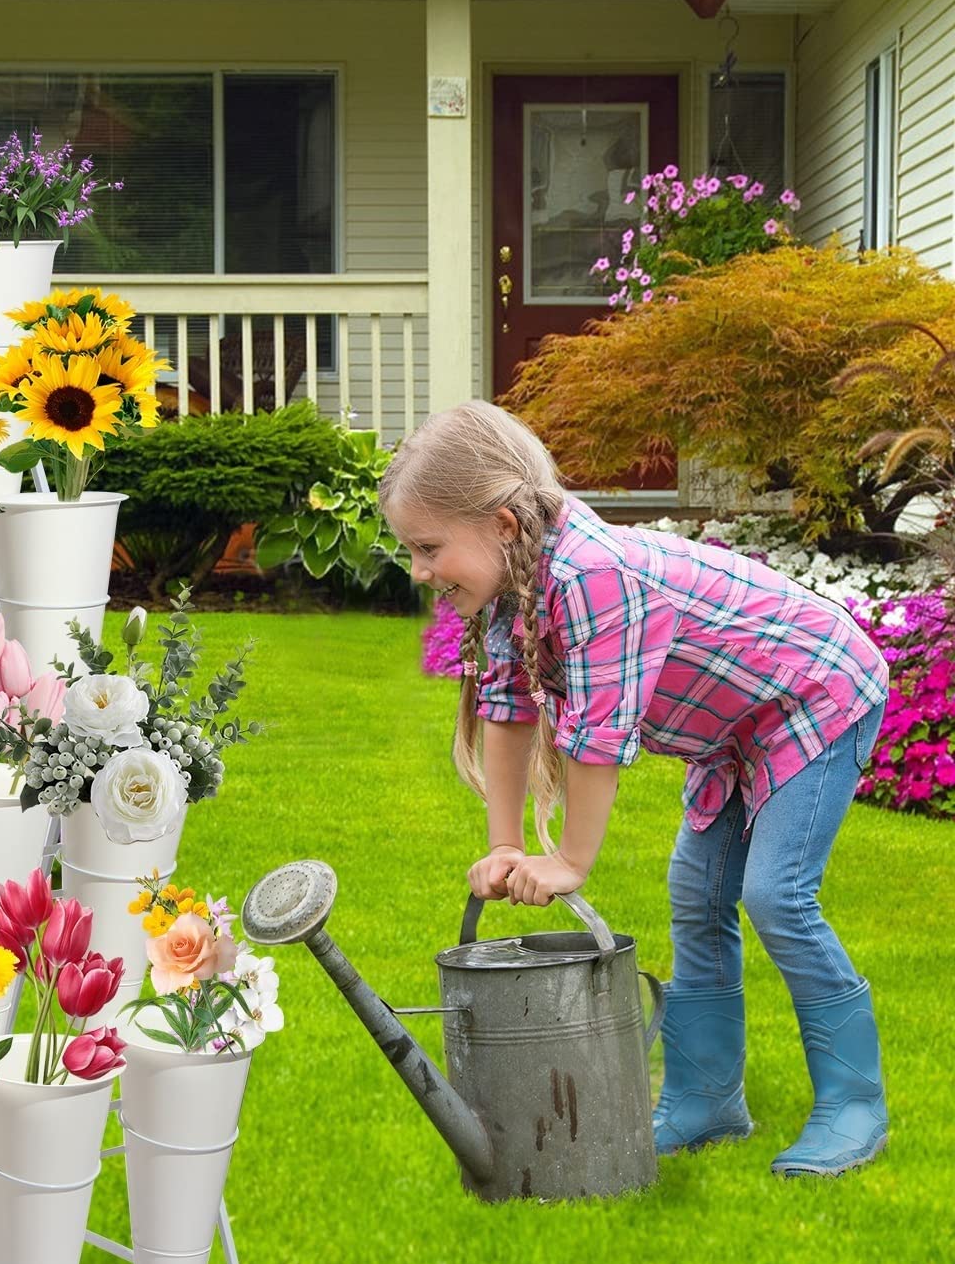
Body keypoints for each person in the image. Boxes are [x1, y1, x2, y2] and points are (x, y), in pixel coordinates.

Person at [379, 400, 890, 1178]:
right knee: (697, 891)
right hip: (736, 731)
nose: (418, 571)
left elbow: (599, 736)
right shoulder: (516, 582)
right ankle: (706, 1098)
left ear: (504, 525)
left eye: (427, 547)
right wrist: (505, 844)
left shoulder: (592, 574)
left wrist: (570, 861)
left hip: (815, 693)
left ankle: (855, 1104)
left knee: (777, 895)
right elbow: (508, 713)